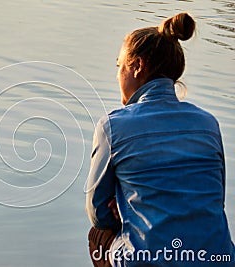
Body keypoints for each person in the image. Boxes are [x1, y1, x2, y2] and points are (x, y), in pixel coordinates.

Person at [85, 13, 235, 267]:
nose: (118, 75)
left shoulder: (112, 126)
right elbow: (213, 200)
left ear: (137, 66)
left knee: (98, 237)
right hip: (218, 258)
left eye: (119, 66)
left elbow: (98, 212)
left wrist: (122, 214)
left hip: (148, 260)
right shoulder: (208, 123)